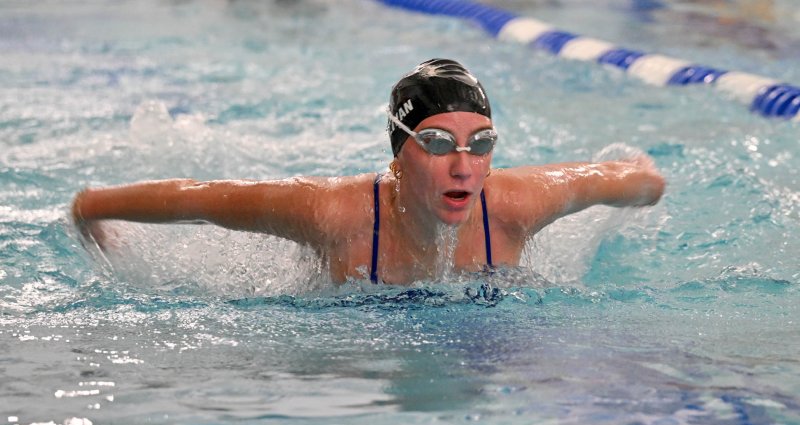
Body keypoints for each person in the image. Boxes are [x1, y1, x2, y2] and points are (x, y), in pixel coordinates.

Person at [71, 59, 665, 285]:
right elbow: (199, 198)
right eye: (436, 143)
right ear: (398, 153)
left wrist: (645, 178)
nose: (464, 166)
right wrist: (93, 209)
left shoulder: (514, 202)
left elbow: (621, 179)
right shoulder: (333, 212)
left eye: (481, 143)